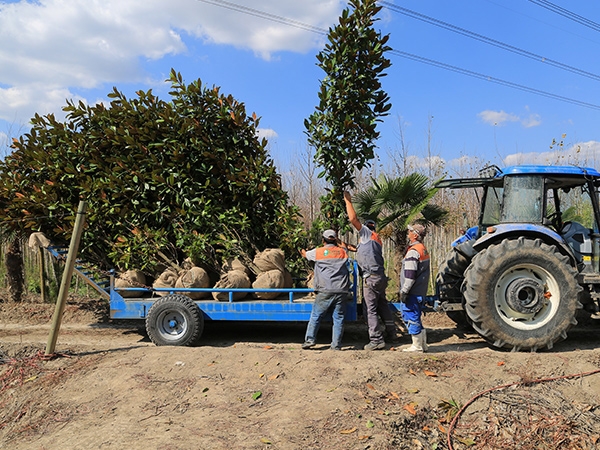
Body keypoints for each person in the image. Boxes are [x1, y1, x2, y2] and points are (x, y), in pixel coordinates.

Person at [343, 191, 399, 351]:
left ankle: (376, 340)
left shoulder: (367, 233)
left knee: (370, 309)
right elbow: (359, 250)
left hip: (371, 279)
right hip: (380, 278)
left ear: (366, 229)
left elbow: (353, 219)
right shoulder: (375, 239)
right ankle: (392, 333)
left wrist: (348, 201)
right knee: (383, 306)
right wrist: (344, 245)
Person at [300, 229, 351, 351]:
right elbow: (344, 247)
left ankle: (310, 340)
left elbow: (305, 255)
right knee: (338, 318)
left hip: (325, 289)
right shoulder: (343, 252)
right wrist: (339, 241)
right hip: (341, 290)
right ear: (335, 240)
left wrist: (302, 251)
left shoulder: (318, 252)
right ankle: (336, 345)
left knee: (316, 315)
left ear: (323, 240)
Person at [399, 222, 431, 352]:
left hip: (413, 291)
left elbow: (410, 275)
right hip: (420, 291)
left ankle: (417, 346)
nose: (408, 234)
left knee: (411, 316)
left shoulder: (413, 252)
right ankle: (423, 345)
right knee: (416, 316)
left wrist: (404, 290)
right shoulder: (422, 249)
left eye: (410, 232)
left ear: (415, 235)